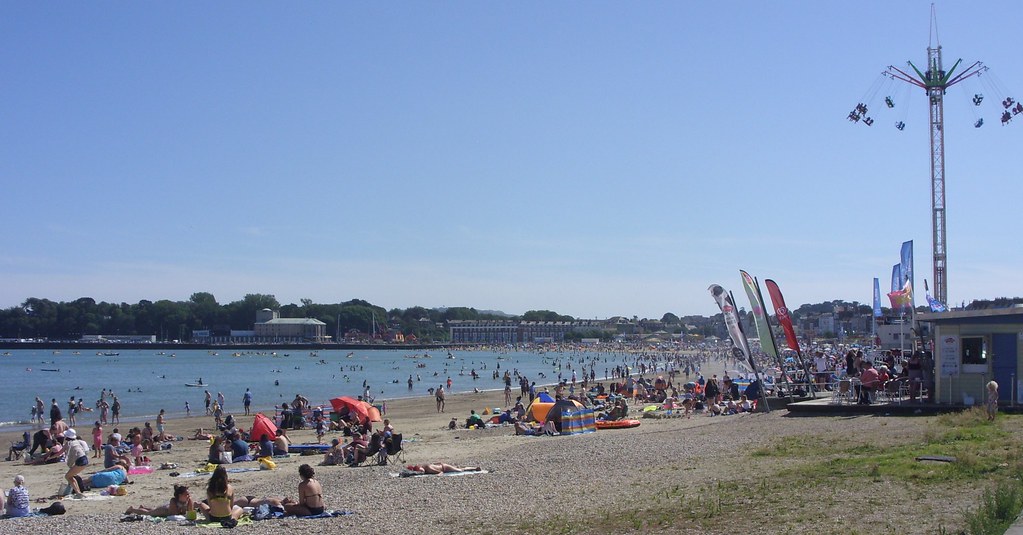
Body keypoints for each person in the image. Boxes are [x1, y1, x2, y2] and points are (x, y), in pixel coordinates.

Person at [124, 484, 195, 517]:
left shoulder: (189, 500)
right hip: (164, 510)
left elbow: (190, 512)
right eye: (186, 494)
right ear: (180, 495)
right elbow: (174, 513)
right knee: (149, 513)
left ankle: (143, 507)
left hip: (169, 510)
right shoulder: (173, 500)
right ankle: (132, 509)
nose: (188, 496)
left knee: (152, 510)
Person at [63, 428, 91, 499]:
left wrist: (49, 457)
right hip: (85, 459)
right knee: (70, 476)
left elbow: (60, 452)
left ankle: (78, 493)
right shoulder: (77, 442)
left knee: (68, 476)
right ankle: (78, 492)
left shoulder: (68, 443)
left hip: (80, 461)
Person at [404, 463, 481, 475]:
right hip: (441, 465)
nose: (421, 472)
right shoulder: (422, 467)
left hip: (444, 467)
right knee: (459, 469)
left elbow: (440, 472)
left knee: (460, 470)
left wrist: (438, 476)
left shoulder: (428, 467)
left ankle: (474, 468)